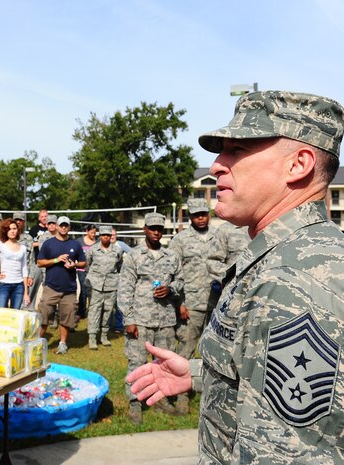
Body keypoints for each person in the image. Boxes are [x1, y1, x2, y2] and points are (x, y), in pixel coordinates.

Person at [127, 91, 344, 463]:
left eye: (237, 151)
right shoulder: (281, 252)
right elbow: (263, 374)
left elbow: (286, 452)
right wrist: (198, 375)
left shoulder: (297, 276)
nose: (215, 165)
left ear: (299, 164)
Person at [118, 212, 183, 424]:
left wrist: (171, 289)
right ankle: (135, 402)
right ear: (145, 229)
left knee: (164, 361)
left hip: (165, 319)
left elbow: (180, 280)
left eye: (160, 229)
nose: (156, 232)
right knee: (137, 361)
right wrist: (128, 318)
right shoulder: (134, 256)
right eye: (152, 228)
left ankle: (162, 397)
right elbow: (125, 288)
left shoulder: (171, 256)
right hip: (141, 318)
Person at [168, 198, 214, 415]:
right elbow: (173, 274)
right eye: (196, 215)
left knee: (212, 351)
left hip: (215, 304)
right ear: (190, 216)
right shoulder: (180, 240)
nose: (201, 218)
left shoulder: (219, 237)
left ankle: (209, 392)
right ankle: (181, 395)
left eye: (204, 213)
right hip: (192, 304)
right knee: (186, 349)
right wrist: (180, 303)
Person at [36, 216, 86, 355]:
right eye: (61, 225)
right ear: (57, 227)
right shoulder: (48, 244)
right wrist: (56, 260)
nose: (64, 228)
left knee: (66, 317)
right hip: (51, 287)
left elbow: (83, 262)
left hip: (69, 289)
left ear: (69, 227)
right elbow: (40, 262)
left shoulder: (75, 244)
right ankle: (38, 342)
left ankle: (62, 343)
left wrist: (74, 264)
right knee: (44, 315)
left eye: (66, 225)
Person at [84, 225, 123, 350]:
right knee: (94, 311)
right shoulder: (93, 250)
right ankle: (92, 337)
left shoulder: (117, 250)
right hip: (96, 285)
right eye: (103, 235)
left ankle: (104, 335)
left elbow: (120, 266)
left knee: (107, 311)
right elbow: (87, 265)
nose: (106, 237)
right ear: (100, 236)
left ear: (111, 236)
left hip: (111, 285)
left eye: (108, 235)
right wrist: (93, 278)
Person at [0, 218, 30, 309]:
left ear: (18, 230)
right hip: (3, 285)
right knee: (0, 312)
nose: (12, 231)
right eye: (9, 229)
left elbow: (24, 268)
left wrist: (26, 292)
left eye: (14, 229)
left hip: (19, 286)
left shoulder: (23, 248)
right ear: (5, 231)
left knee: (15, 314)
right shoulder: (0, 245)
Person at [205, 220, 250, 312]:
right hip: (233, 297)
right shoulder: (226, 229)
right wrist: (233, 280)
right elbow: (213, 261)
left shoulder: (274, 226)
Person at [13, 212, 37, 309]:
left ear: (24, 222)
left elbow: (31, 258)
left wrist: (31, 276)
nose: (18, 222)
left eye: (20, 220)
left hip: (24, 276)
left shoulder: (28, 239)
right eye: (16, 220)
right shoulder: (7, 237)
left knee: (22, 304)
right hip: (10, 274)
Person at [76, 224, 98, 319]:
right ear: (87, 231)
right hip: (81, 269)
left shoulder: (98, 242)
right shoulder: (79, 241)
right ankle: (81, 311)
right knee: (84, 289)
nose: (93, 235)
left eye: (95, 233)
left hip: (93, 270)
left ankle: (92, 310)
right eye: (91, 232)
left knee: (92, 291)